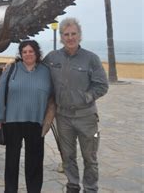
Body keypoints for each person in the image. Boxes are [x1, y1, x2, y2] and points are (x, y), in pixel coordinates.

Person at [43, 17, 108, 193]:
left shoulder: (91, 59)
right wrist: (13, 66)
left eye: (73, 34)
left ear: (79, 36)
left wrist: (86, 97)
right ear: (62, 38)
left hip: (87, 117)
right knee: (67, 155)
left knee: (90, 157)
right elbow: (36, 71)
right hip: (63, 117)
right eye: (66, 34)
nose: (70, 37)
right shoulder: (52, 57)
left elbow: (102, 85)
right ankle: (72, 184)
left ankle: (90, 188)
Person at [0, 40, 53, 193]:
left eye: (31, 51)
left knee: (34, 162)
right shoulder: (12, 69)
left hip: (36, 122)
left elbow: (53, 95)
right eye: (24, 51)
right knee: (11, 162)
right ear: (21, 54)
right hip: (12, 122)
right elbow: (0, 93)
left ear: (37, 53)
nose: (28, 54)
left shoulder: (46, 71)